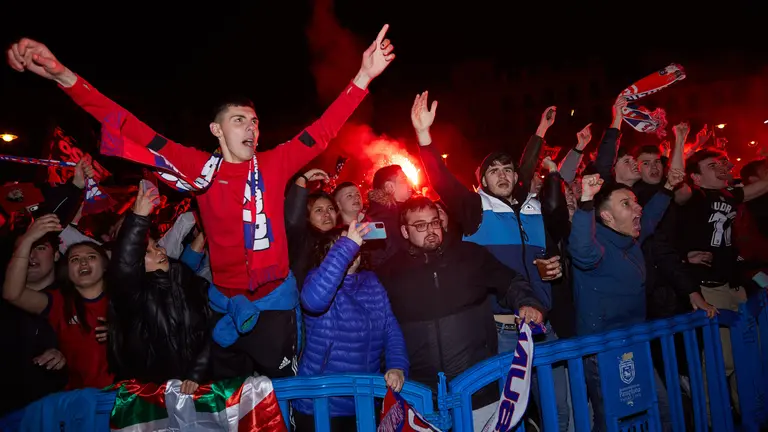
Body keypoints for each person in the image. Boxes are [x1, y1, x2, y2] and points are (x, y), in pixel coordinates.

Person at [7, 28, 395, 379]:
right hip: (223, 311)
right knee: (227, 408)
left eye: (255, 121)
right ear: (217, 129)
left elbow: (323, 131)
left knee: (282, 401)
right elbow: (125, 123)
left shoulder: (276, 164)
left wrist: (363, 76)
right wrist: (61, 75)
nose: (252, 128)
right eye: (240, 120)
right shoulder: (198, 168)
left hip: (274, 311)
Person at [294, 221, 408, 431]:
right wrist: (347, 245)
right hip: (321, 402)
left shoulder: (371, 281)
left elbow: (391, 330)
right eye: (342, 246)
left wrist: (397, 367)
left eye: (355, 245)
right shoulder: (316, 280)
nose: (351, 250)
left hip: (364, 399)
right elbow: (313, 301)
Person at [107, 181, 211, 394]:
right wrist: (138, 219)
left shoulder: (193, 284)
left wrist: (197, 373)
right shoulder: (134, 296)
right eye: (147, 251)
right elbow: (125, 266)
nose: (159, 251)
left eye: (157, 246)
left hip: (199, 387)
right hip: (153, 395)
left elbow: (210, 332)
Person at [4, 218, 112, 389]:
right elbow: (12, 294)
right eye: (74, 260)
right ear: (67, 270)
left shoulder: (124, 298)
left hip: (125, 399)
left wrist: (121, 333)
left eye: (91, 257)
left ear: (105, 266)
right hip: (78, 402)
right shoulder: (58, 302)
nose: (83, 262)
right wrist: (27, 241)